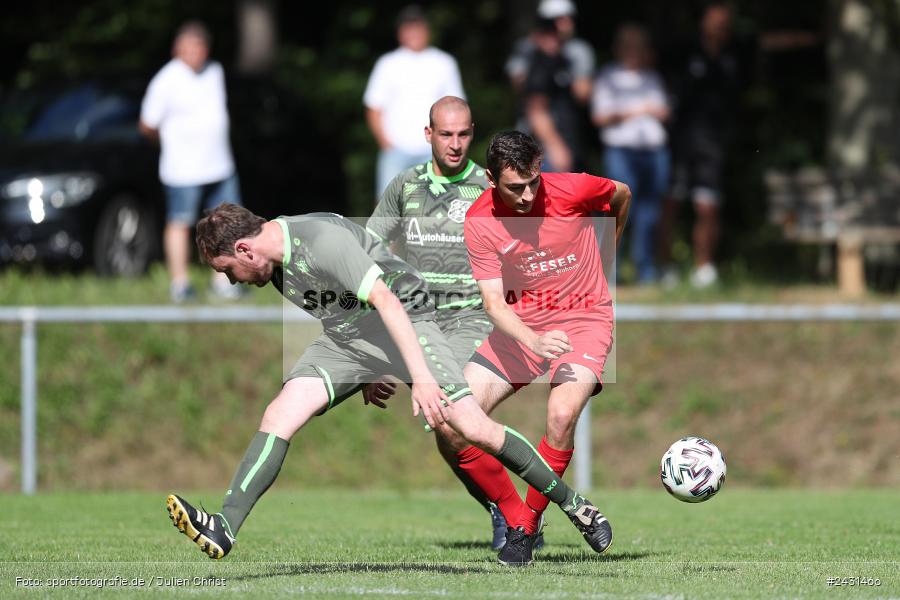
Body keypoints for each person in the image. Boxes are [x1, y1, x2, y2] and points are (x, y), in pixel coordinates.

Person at [165, 203, 614, 566]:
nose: (230, 280)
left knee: (467, 425)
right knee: (280, 411)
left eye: (227, 270)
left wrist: (419, 377)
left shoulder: (320, 240)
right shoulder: (277, 263)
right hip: (351, 340)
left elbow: (388, 300)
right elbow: (344, 308)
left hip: (409, 319)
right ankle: (224, 527)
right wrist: (363, 371)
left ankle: (575, 505)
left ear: (244, 249)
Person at [445, 130, 631, 566]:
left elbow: (622, 194)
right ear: (490, 179)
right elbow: (493, 303)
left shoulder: (574, 187)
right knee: (452, 422)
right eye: (515, 187)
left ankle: (525, 530)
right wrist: (533, 339)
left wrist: (608, 249)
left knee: (562, 415)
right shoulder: (480, 221)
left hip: (585, 318)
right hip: (522, 326)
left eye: (533, 181)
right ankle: (515, 516)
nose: (528, 195)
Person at [365, 96, 528, 552]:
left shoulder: (489, 187)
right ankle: (506, 510)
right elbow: (370, 255)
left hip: (473, 318)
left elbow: (528, 248)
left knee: (453, 420)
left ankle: (517, 515)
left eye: (463, 135)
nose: (455, 145)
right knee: (448, 430)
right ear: (428, 135)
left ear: (471, 133)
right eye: (446, 135)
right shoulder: (405, 186)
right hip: (420, 321)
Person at [139, 21, 242, 303]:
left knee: (227, 223)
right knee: (180, 223)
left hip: (220, 164)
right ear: (177, 49)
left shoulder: (215, 71)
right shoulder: (166, 80)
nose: (194, 53)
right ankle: (180, 283)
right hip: (183, 169)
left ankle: (223, 281)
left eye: (199, 47)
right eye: (188, 47)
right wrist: (169, 143)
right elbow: (147, 124)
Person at [592, 24, 670, 284]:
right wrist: (640, 109)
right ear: (619, 49)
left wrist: (629, 110)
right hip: (621, 151)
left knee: (650, 212)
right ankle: (610, 271)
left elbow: (664, 111)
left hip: (653, 151)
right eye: (629, 46)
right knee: (619, 209)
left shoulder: (652, 78)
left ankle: (644, 270)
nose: (634, 52)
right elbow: (601, 116)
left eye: (639, 47)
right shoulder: (608, 77)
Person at [363, 4, 466, 198]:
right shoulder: (387, 64)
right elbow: (374, 107)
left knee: (439, 205)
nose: (414, 33)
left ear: (427, 30)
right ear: (400, 32)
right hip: (395, 149)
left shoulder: (444, 63)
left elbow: (456, 106)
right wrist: (386, 143)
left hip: (435, 150)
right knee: (388, 206)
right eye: (408, 28)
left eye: (418, 27)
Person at [506, 0, 595, 172]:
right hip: (538, 143)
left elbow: (583, 94)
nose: (566, 25)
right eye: (557, 20)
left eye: (569, 19)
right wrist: (541, 59)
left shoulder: (577, 51)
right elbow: (530, 99)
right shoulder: (530, 51)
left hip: (572, 137)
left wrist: (561, 61)